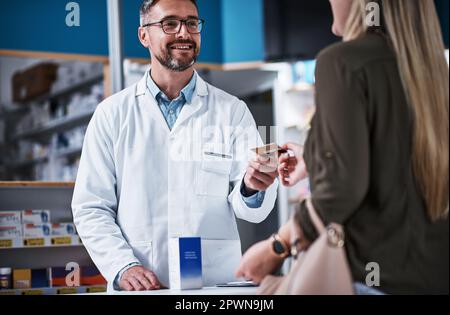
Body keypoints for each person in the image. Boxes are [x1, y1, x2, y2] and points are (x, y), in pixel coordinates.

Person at [236, 0, 449, 295]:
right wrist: (314, 158)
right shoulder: (431, 69)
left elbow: (340, 190)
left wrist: (277, 246)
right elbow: (394, 155)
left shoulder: (341, 61)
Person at [72, 0, 278, 292]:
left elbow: (251, 208)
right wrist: (123, 265)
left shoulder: (232, 111)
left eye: (192, 23)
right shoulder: (112, 115)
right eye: (170, 23)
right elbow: (90, 206)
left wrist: (252, 187)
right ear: (144, 35)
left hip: (212, 285)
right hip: (141, 283)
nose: (184, 33)